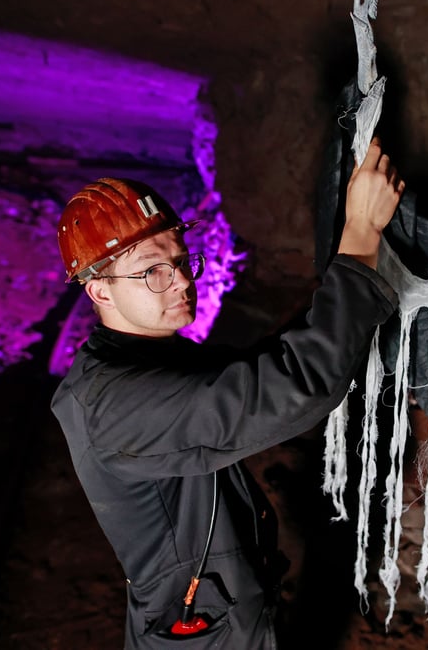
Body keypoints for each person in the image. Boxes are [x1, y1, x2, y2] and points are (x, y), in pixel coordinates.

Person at [50, 138, 404, 649]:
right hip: (203, 634)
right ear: (100, 291)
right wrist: (360, 233)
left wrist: (341, 286)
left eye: (180, 257)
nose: (181, 281)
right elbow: (296, 386)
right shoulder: (118, 404)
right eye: (152, 269)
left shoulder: (140, 357)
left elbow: (261, 366)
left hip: (222, 609)